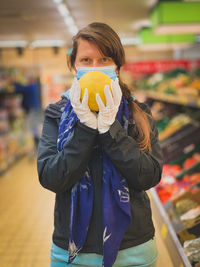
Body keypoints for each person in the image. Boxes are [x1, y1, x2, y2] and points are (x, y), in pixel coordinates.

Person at [37, 22, 163, 267]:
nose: (95, 68)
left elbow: (148, 176)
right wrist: (84, 129)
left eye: (104, 58)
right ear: (74, 65)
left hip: (134, 252)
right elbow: (51, 177)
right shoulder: (56, 114)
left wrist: (110, 130)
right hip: (70, 255)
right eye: (86, 60)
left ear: (117, 66)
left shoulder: (140, 114)